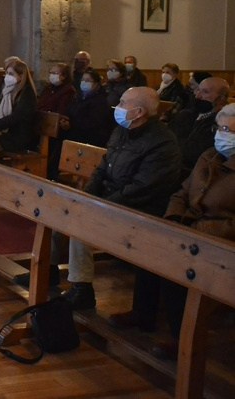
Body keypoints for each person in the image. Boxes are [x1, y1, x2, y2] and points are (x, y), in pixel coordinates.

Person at [62, 87, 182, 310]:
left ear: (139, 112)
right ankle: (51, 272)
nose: (117, 107)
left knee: (80, 221)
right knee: (62, 209)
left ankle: (82, 288)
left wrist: (102, 206)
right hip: (112, 200)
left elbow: (142, 188)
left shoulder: (162, 143)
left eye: (123, 103)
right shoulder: (121, 130)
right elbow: (103, 167)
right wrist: (87, 196)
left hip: (140, 210)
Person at [148, 104, 235, 359]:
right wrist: (174, 220)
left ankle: (185, 339)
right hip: (192, 231)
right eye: (220, 128)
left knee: (182, 268)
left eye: (230, 130)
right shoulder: (209, 156)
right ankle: (157, 322)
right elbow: (182, 192)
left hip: (223, 242)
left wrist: (201, 230)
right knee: (153, 251)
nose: (222, 134)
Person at [168, 77, 230, 175]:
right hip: (171, 165)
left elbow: (197, 153)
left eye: (205, 92)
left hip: (195, 172)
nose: (198, 96)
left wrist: (172, 142)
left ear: (220, 99)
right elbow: (166, 136)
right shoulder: (186, 114)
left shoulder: (222, 122)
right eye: (198, 90)